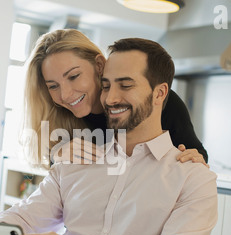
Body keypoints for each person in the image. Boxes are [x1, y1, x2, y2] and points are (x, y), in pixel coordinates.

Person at [0, 38, 218, 235]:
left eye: (126, 84)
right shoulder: (76, 155)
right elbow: (26, 216)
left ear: (160, 93)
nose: (110, 97)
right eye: (106, 86)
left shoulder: (192, 176)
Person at [23, 29, 208, 167]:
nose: (65, 95)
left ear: (99, 65)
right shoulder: (60, 116)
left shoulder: (157, 103)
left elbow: (196, 156)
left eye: (73, 77)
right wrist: (57, 155)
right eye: (53, 86)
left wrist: (193, 157)